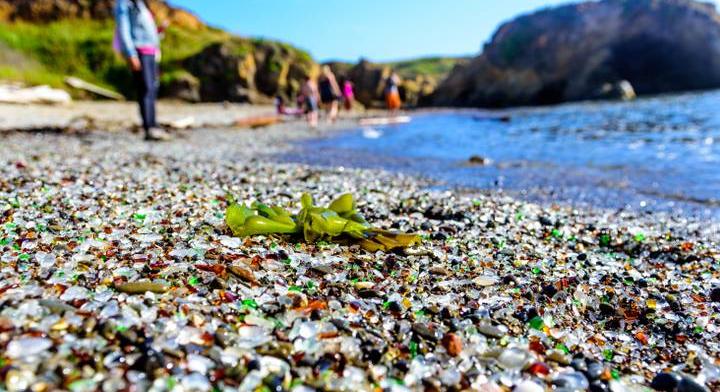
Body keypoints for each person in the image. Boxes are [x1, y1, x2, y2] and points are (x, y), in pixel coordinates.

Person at [114, 0, 170, 141]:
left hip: (151, 52)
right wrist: (130, 54)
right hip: (140, 51)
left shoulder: (142, 5)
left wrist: (160, 30)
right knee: (145, 88)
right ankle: (148, 127)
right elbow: (124, 28)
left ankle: (153, 123)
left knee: (152, 89)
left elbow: (149, 34)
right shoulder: (125, 3)